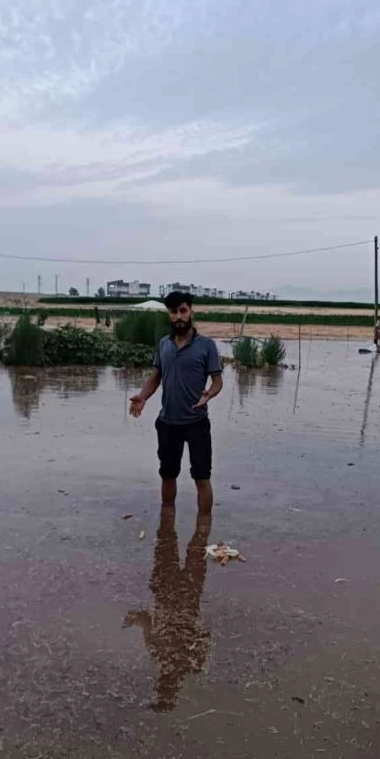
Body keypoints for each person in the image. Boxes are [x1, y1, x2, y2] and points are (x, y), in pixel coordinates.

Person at [129, 291, 223, 514]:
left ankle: (202, 530)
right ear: (169, 315)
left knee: (202, 477)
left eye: (183, 310)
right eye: (173, 312)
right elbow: (156, 377)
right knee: (168, 474)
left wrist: (208, 394)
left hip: (197, 422)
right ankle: (167, 526)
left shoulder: (206, 345)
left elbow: (218, 381)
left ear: (191, 311)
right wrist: (142, 397)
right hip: (168, 422)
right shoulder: (164, 344)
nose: (179, 316)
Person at [123, 508, 211, 711]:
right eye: (164, 689)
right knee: (189, 542)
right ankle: (201, 518)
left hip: (176, 591)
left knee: (177, 540)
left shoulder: (182, 660)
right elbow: (206, 635)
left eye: (161, 687)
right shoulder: (190, 662)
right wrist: (135, 620)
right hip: (181, 594)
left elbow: (146, 620)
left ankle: (189, 518)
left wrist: (134, 620)